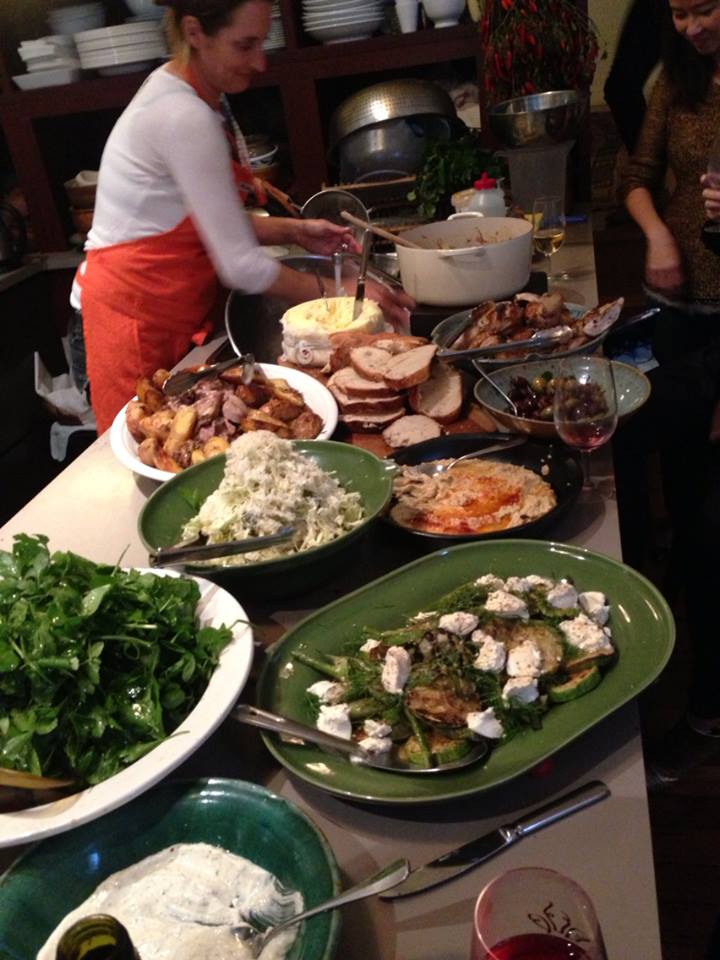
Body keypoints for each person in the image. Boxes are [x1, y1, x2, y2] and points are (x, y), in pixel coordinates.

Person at [74, 0, 414, 433]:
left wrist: (295, 231)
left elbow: (196, 220)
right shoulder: (182, 115)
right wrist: (343, 295)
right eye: (244, 45)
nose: (260, 62)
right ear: (195, 32)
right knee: (144, 444)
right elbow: (241, 267)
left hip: (163, 304)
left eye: (261, 42)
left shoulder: (186, 93)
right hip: (135, 321)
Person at [619, 0, 720, 784]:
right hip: (686, 320)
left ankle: (708, 710)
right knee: (681, 494)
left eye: (705, 6)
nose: (691, 26)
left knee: (713, 528)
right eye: (679, 11)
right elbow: (637, 176)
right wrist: (658, 231)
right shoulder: (679, 79)